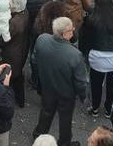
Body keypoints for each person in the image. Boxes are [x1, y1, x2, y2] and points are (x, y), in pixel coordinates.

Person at [31, 17, 88, 146]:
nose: (73, 30)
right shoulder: (75, 55)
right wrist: (83, 96)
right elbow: (80, 82)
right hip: (66, 94)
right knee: (65, 120)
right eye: (71, 29)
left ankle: (39, 137)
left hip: (47, 87)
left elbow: (34, 60)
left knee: (46, 113)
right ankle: (64, 143)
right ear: (65, 34)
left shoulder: (42, 39)